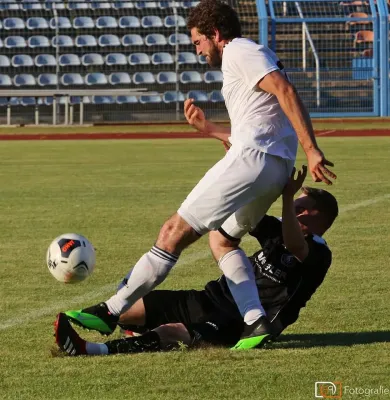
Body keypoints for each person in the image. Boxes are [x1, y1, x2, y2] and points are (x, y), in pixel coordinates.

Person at [61, 0, 336, 350]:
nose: (199, 51)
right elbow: (262, 124)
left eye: (198, 42)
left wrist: (312, 148)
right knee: (224, 240)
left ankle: (110, 311)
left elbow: (285, 91)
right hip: (271, 166)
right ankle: (255, 322)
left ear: (216, 34)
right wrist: (211, 130)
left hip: (253, 160)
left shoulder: (239, 50)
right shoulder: (246, 57)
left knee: (173, 231)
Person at [55, 167, 339, 356]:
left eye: (301, 208)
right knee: (127, 305)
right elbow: (243, 216)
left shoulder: (319, 255)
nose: (293, 211)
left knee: (172, 333)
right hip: (209, 297)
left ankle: (92, 350)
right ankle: (127, 326)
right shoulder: (279, 226)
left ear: (317, 217)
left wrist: (288, 196)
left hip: (236, 322)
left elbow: (294, 243)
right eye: (295, 207)